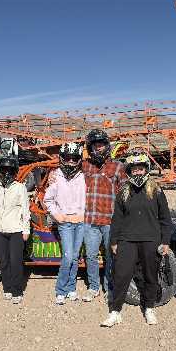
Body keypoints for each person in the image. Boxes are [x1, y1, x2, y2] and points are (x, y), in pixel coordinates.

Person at [101, 149, 172, 327]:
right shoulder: (123, 191)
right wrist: (114, 241)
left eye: (140, 169)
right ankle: (115, 311)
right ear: (129, 171)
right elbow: (117, 218)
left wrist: (165, 241)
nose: (138, 172)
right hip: (127, 240)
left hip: (150, 239)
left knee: (150, 275)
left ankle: (149, 307)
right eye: (134, 169)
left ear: (146, 169)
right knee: (121, 275)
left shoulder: (156, 190)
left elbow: (165, 218)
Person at [81, 129, 127, 303]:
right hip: (90, 220)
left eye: (101, 144)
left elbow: (125, 193)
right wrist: (54, 177)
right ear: (90, 148)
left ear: (107, 146)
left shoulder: (118, 166)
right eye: (95, 145)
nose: (98, 148)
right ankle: (93, 287)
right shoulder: (84, 165)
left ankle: (109, 287)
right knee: (91, 256)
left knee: (111, 256)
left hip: (110, 220)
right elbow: (65, 173)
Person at [43, 142, 86, 305]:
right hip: (65, 224)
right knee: (68, 257)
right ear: (62, 158)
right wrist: (57, 216)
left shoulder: (83, 176)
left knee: (75, 257)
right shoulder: (56, 176)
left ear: (79, 159)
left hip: (80, 223)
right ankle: (60, 290)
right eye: (67, 158)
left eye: (74, 158)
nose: (71, 161)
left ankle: (71, 288)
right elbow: (48, 200)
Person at [0, 154, 30, 304]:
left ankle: (17, 290)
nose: (6, 173)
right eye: (4, 170)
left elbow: (25, 210)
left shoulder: (20, 188)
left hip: (16, 230)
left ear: (14, 172)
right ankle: (7, 288)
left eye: (10, 170)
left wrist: (26, 230)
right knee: (3, 261)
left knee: (16, 262)